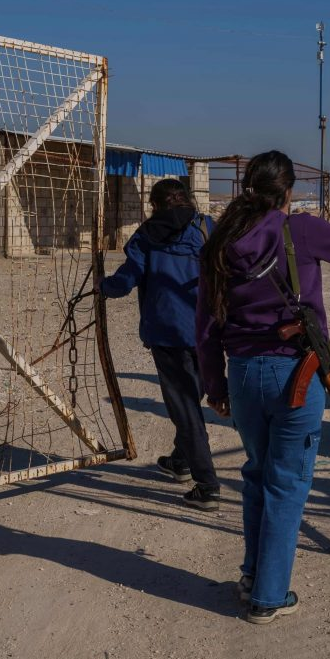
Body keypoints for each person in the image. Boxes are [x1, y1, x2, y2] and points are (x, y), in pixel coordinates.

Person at [196, 150, 330, 624]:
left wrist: (214, 385)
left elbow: (207, 324)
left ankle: (252, 576)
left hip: (243, 374)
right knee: (287, 484)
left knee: (258, 475)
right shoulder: (298, 229)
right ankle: (268, 596)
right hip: (295, 374)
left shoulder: (221, 240)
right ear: (288, 190)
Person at [98, 178, 221, 511]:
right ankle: (181, 461)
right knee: (191, 398)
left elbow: (126, 280)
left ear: (154, 205)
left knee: (186, 409)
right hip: (208, 331)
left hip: (168, 334)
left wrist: (103, 286)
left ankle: (207, 485)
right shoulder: (207, 227)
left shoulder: (146, 235)